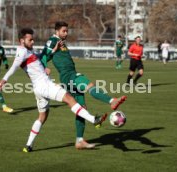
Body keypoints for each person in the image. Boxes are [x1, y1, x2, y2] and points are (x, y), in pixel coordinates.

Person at [0, 28, 108, 152]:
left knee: (42, 116)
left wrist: (53, 51)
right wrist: (3, 81)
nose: (33, 41)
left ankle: (28, 145)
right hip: (44, 85)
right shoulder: (22, 52)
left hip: (38, 88)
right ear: (22, 40)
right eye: (30, 39)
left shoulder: (27, 51)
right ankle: (94, 119)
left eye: (33, 39)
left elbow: (36, 59)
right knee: (69, 98)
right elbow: (14, 66)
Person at [40, 21, 127, 149]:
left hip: (69, 75)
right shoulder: (52, 40)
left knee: (81, 109)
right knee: (89, 85)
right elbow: (43, 56)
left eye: (67, 30)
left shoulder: (61, 42)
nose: (66, 33)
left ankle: (79, 140)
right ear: (57, 31)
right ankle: (111, 100)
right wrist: (44, 67)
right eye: (64, 31)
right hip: (69, 75)